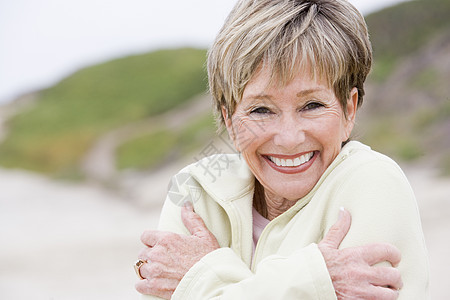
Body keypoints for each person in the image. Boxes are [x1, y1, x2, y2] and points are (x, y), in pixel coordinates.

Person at [135, 0, 429, 299]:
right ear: (229, 121)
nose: (289, 138)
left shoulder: (373, 182)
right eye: (261, 110)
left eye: (312, 105)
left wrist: (203, 277)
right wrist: (316, 281)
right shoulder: (197, 192)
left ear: (348, 110)